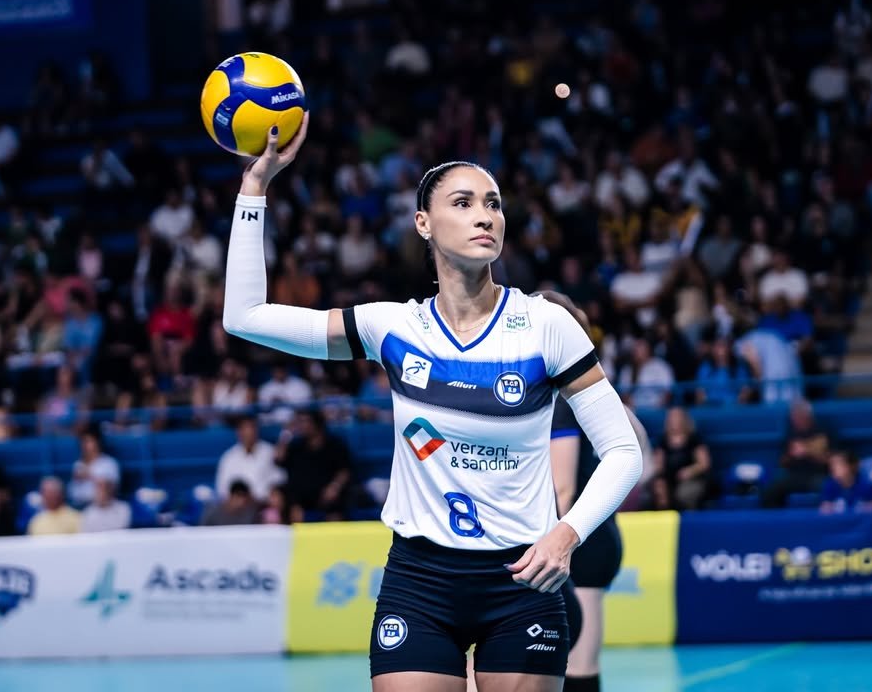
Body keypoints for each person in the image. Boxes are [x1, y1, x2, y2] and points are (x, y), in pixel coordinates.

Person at [221, 118, 642, 691]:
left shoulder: (548, 326)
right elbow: (244, 317)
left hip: (522, 582)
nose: (484, 216)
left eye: (493, 204)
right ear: (423, 222)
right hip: (419, 582)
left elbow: (623, 451)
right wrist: (255, 188)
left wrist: (567, 533)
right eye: (463, 203)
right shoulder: (392, 327)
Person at [542, 290, 653, 692]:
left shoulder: (562, 401)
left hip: (577, 539)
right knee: (580, 662)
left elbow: (563, 488)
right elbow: (637, 451)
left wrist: (547, 543)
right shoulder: (595, 393)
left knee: (577, 666)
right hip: (598, 533)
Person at [277, 409, 352, 522]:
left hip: (328, 494)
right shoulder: (296, 447)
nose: (302, 425)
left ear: (317, 423)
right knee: (287, 502)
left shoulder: (335, 445)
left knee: (336, 506)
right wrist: (286, 434)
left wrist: (335, 486)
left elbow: (345, 470)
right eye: (299, 422)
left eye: (305, 421)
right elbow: (279, 459)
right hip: (300, 497)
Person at [763, 401, 831, 508]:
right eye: (794, 417)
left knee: (827, 486)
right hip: (794, 475)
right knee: (771, 490)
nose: (796, 420)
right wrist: (791, 454)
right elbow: (782, 462)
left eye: (799, 416)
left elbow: (834, 459)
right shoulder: (791, 433)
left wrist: (808, 452)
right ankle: (774, 517)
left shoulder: (824, 430)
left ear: (808, 416)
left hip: (819, 474)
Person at [650, 407, 712, 511]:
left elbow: (704, 464)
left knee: (684, 493)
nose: (674, 421)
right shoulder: (663, 440)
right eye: (672, 418)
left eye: (677, 418)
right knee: (659, 488)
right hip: (669, 478)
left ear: (684, 420)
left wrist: (689, 471)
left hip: (692, 479)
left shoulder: (694, 439)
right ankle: (664, 514)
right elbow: (658, 465)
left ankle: (688, 517)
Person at [214, 417, 286, 503]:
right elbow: (222, 488)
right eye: (244, 431)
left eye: (252, 430)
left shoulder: (270, 452)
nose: (248, 435)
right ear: (239, 433)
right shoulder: (229, 457)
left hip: (264, 504)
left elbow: (280, 480)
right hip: (238, 505)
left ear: (256, 431)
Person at [69, 427, 121, 508]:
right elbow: (72, 491)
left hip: (102, 507)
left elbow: (113, 488)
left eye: (88, 441)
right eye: (83, 442)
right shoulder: (78, 464)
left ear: (97, 442)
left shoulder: (109, 462)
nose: (85, 445)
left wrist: (89, 475)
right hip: (79, 506)